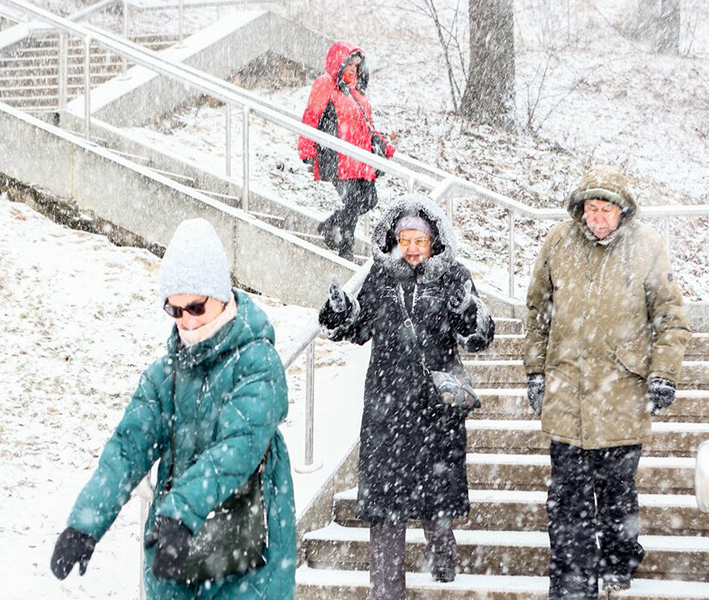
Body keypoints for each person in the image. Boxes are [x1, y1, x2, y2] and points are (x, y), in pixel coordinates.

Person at [50, 218, 296, 599]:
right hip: (176, 557)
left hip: (248, 561)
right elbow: (127, 449)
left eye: (196, 306)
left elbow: (237, 449)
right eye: (175, 310)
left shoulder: (258, 363)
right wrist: (85, 523)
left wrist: (181, 512)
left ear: (221, 294)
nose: (187, 320)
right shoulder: (165, 376)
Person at [524, 166, 691, 599]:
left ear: (622, 212)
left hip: (622, 394)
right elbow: (537, 312)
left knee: (617, 494)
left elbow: (671, 320)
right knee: (567, 501)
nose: (598, 218)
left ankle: (619, 558)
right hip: (566, 393)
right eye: (592, 209)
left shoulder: (648, 247)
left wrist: (663, 373)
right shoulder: (558, 242)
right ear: (581, 210)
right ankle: (572, 583)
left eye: (607, 210)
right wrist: (536, 372)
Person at [319, 194, 495, 599]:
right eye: (405, 238)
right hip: (387, 407)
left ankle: (443, 561)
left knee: (437, 498)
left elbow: (480, 338)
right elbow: (356, 328)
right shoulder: (380, 276)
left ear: (434, 240)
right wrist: (339, 310)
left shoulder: (455, 276)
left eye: (420, 239)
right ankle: (385, 590)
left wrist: (468, 311)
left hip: (436, 407)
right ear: (394, 240)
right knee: (385, 504)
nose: (412, 247)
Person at [298, 41, 396, 262]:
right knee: (352, 200)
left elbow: (367, 125)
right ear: (339, 62)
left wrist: (384, 147)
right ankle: (346, 248)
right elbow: (311, 115)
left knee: (369, 199)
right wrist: (306, 147)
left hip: (360, 158)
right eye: (350, 63)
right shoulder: (326, 84)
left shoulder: (357, 92)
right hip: (337, 155)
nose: (353, 68)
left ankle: (331, 224)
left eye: (357, 64)